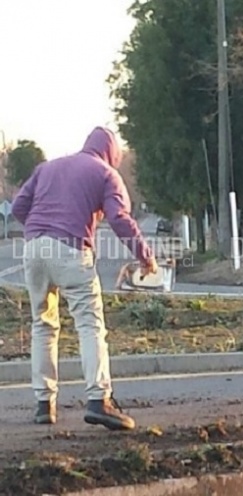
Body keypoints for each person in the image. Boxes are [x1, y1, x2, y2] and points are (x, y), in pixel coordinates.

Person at [11, 126, 158, 431]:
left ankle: (44, 403)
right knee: (89, 323)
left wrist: (41, 230)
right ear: (112, 154)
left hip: (33, 248)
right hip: (70, 248)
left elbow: (17, 208)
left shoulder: (47, 167)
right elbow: (119, 218)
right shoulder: (106, 174)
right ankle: (98, 399)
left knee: (43, 323)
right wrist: (145, 255)